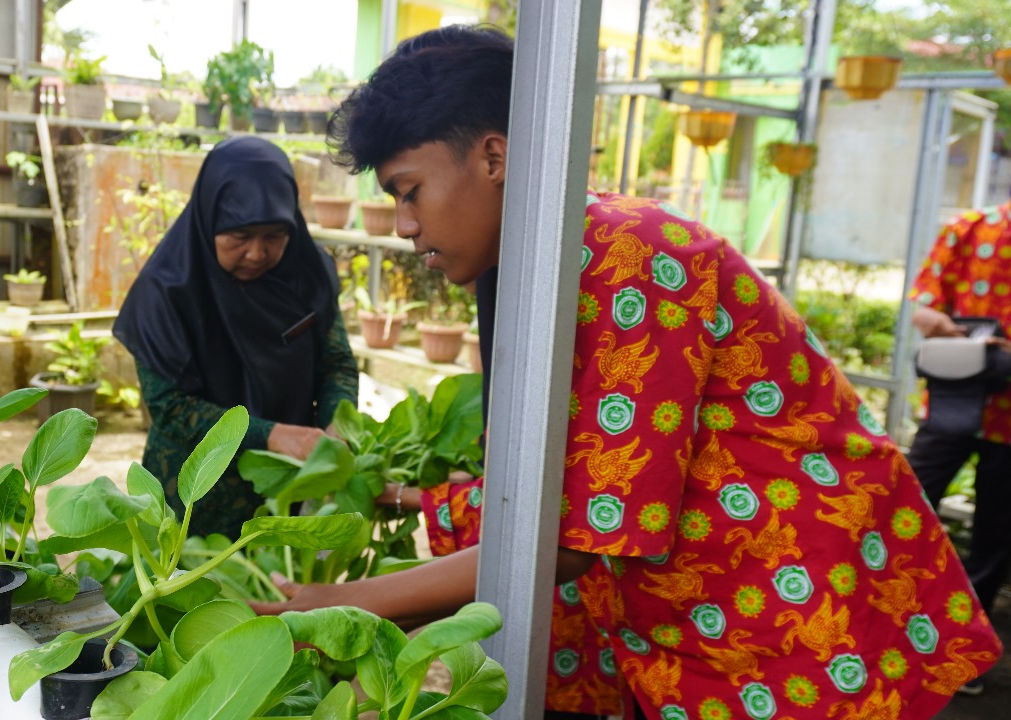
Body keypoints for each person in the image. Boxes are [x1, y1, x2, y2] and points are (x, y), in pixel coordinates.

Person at [251, 25, 1003, 720]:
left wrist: (339, 605)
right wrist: (405, 513)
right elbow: (567, 474)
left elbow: (580, 533)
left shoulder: (628, 258)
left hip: (793, 612)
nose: (406, 226)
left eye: (409, 190)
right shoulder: (546, 263)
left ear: (493, 156)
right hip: (717, 610)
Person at [113, 136, 358, 538]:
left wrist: (337, 425)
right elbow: (171, 406)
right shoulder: (166, 292)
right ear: (209, 219)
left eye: (274, 236)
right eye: (239, 238)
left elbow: (337, 364)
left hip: (289, 482)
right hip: (196, 492)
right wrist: (271, 435)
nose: (257, 253)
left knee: (285, 589)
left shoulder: (307, 276)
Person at [907, 200, 1011, 695]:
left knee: (996, 535)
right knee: (905, 505)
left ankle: (965, 652)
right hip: (955, 400)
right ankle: (890, 624)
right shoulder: (970, 228)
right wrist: (959, 334)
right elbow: (925, 309)